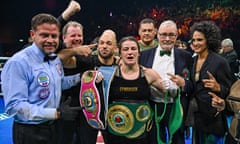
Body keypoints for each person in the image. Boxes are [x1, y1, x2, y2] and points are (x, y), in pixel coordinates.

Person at [1, 13, 83, 144]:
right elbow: (15, 107)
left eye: (54, 36)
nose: (50, 40)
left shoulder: (54, 59)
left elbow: (58, 83)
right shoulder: (18, 62)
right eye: (44, 35)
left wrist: (81, 77)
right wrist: (56, 113)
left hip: (53, 128)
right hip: (29, 131)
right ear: (33, 35)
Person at [100, 36, 168, 144]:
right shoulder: (110, 75)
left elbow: (169, 92)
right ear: (120, 53)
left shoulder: (149, 74)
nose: (130, 52)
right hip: (115, 132)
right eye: (126, 49)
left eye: (133, 49)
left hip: (141, 133)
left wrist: (177, 85)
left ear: (139, 52)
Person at [58, 29, 118, 144]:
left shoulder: (120, 66)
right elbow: (58, 58)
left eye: (109, 43)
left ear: (116, 48)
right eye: (102, 43)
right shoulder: (87, 62)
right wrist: (75, 50)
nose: (104, 46)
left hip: (112, 116)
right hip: (87, 118)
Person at [139, 20, 193, 144]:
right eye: (163, 34)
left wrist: (183, 83)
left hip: (176, 106)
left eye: (171, 35)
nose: (167, 39)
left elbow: (192, 85)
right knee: (154, 139)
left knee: (178, 140)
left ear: (176, 36)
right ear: (157, 35)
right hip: (152, 106)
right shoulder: (144, 55)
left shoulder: (186, 56)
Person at [188, 20, 235, 144]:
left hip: (214, 118)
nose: (195, 43)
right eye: (193, 40)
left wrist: (219, 87)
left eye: (200, 40)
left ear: (208, 40)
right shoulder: (192, 61)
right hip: (197, 118)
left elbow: (230, 90)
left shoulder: (220, 62)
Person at [58, 21, 85, 144]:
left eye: (79, 35)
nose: (77, 39)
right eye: (73, 35)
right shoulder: (54, 55)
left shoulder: (85, 57)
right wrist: (75, 51)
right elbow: (59, 58)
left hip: (83, 111)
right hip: (61, 111)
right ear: (63, 38)